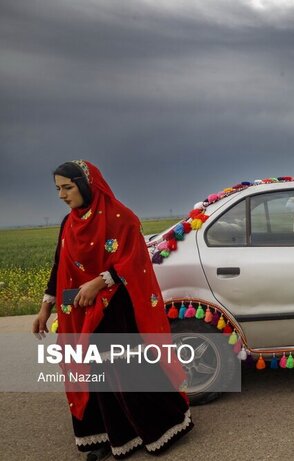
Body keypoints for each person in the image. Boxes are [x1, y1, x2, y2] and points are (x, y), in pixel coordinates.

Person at [33, 160, 193, 460]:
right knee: (88, 371)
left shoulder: (121, 218)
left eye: (67, 187)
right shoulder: (69, 224)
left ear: (86, 184)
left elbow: (134, 261)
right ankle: (103, 438)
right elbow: (59, 267)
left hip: (115, 306)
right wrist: (45, 308)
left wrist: (99, 282)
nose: (62, 195)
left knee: (125, 371)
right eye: (58, 189)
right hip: (78, 307)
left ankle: (160, 428)